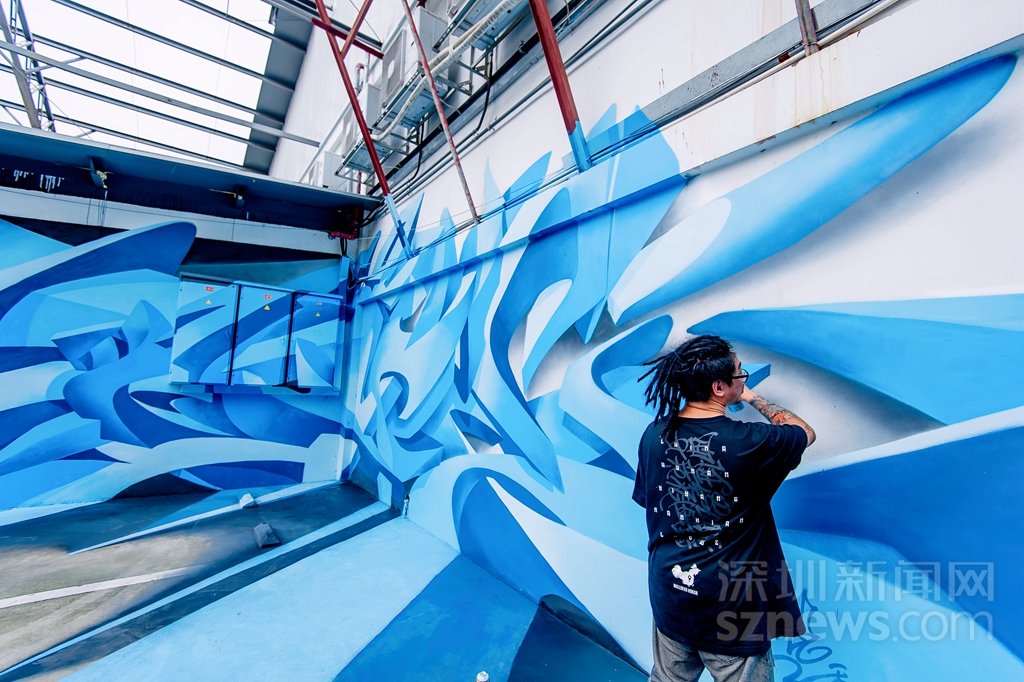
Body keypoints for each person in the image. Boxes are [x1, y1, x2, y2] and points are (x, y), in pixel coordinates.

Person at [633, 334, 816, 682]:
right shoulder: (750, 442)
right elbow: (803, 431)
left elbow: (653, 502)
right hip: (732, 608)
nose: (743, 378)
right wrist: (752, 397)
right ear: (719, 387)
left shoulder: (654, 434)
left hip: (670, 591)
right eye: (739, 374)